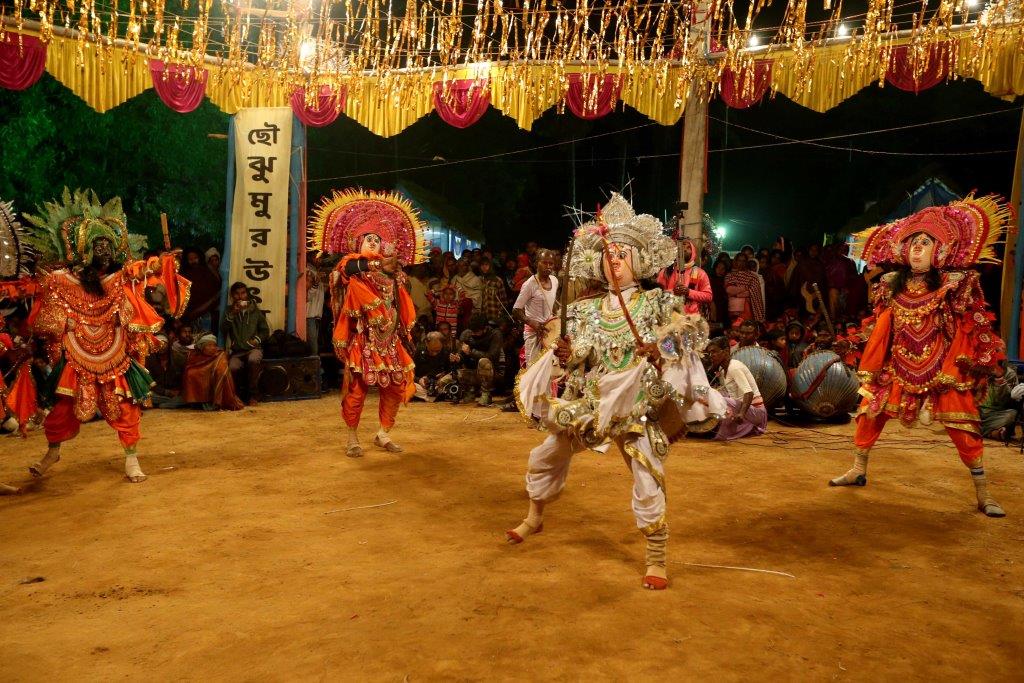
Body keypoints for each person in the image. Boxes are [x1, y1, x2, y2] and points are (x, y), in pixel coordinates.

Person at [506, 193, 723, 591]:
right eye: (609, 255)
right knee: (545, 454)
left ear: (639, 261)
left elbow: (691, 335)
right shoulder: (586, 309)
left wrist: (661, 348)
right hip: (591, 401)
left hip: (639, 403)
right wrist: (569, 354)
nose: (616, 261)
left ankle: (656, 556)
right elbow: (581, 355)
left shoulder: (657, 301)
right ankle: (535, 516)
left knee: (646, 476)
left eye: (623, 254)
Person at [829, 195, 1011, 517]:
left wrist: (960, 368)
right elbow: (883, 326)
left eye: (925, 243)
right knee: (868, 414)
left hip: (941, 370)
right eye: (912, 243)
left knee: (964, 430)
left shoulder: (956, 285)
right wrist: (865, 354)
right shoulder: (890, 285)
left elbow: (969, 327)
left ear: (939, 251)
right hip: (897, 367)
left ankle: (984, 494)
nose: (916, 249)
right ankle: (858, 469)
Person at [22, 189, 188, 483]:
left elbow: (144, 270)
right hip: (78, 356)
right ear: (84, 251)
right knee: (62, 411)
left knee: (125, 410)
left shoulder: (119, 277)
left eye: (109, 246)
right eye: (98, 246)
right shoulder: (65, 282)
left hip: (114, 356)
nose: (105, 251)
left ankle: (132, 460)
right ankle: (52, 452)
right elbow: (47, 312)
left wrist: (162, 261)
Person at [310, 189, 426, 457]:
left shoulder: (395, 274)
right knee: (357, 390)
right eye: (369, 239)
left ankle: (383, 434)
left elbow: (401, 303)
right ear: (357, 242)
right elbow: (347, 272)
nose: (374, 243)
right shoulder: (351, 266)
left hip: (390, 340)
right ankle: (352, 437)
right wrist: (378, 266)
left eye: (378, 240)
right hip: (363, 339)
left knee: (395, 387)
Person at [706, 336, 768, 440]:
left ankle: (722, 432)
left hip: (756, 411)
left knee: (721, 400)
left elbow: (749, 392)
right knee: (713, 394)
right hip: (746, 409)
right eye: (710, 353)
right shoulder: (722, 369)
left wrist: (741, 414)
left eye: (714, 352)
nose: (711, 356)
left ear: (725, 351)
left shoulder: (734, 367)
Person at [221, 282, 270, 406]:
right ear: (232, 296)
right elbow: (223, 329)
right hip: (237, 351)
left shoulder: (254, 310)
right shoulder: (229, 310)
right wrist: (232, 314)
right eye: (237, 294)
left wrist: (256, 340)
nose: (240, 296)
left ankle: (254, 395)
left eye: (243, 293)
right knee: (232, 367)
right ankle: (237, 396)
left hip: (253, 348)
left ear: (247, 294)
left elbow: (265, 330)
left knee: (253, 359)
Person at [512, 248, 559, 367]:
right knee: (533, 371)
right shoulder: (529, 284)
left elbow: (552, 304)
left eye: (551, 263)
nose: (548, 266)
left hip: (549, 333)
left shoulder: (554, 280)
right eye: (544, 262)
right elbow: (516, 310)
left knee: (550, 371)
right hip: (533, 335)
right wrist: (532, 323)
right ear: (536, 263)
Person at [180, 333, 244, 410]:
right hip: (203, 374)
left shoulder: (220, 354)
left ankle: (214, 402)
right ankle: (196, 401)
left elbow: (221, 370)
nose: (213, 348)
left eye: (214, 345)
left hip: (214, 376)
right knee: (190, 372)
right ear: (202, 347)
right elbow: (189, 367)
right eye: (209, 345)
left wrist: (215, 372)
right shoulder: (195, 355)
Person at [656, 237, 713, 317]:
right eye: (682, 246)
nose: (685, 249)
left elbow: (708, 296)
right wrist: (672, 292)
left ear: (693, 252)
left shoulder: (700, 273)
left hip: (691, 319)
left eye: (688, 247)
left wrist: (688, 292)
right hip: (669, 317)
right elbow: (657, 293)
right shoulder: (666, 271)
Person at [455, 314, 502, 406]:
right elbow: (463, 354)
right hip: (472, 371)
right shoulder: (467, 334)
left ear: (485, 328)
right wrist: (458, 358)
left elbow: (491, 356)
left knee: (484, 361)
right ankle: (470, 391)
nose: (473, 333)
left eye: (476, 331)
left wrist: (471, 352)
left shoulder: (495, 334)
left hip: (491, 373)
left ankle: (486, 394)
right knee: (457, 374)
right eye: (472, 331)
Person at [977, 360, 1020, 442]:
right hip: (979, 411)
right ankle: (993, 433)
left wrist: (1000, 380)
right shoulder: (981, 369)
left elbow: (1010, 398)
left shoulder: (1010, 374)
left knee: (1011, 414)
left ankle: (980, 431)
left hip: (998, 412)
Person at [181, 247, 221, 333]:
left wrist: (212, 302)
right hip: (192, 314)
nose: (193, 261)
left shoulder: (207, 271)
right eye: (190, 259)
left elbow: (216, 287)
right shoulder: (184, 275)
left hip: (210, 313)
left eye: (195, 258)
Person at [413, 331, 455, 401]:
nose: (434, 354)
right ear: (426, 343)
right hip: (421, 386)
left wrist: (443, 377)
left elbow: (450, 371)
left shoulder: (446, 352)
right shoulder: (419, 351)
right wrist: (419, 380)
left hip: (439, 385)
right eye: (432, 350)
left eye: (437, 351)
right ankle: (430, 397)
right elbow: (410, 372)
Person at [305, 267, 325, 356]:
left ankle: (315, 363)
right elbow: (307, 297)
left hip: (316, 316)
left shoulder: (317, 277)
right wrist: (315, 283)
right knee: (312, 343)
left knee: (315, 342)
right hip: (309, 315)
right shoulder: (308, 272)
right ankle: (313, 363)